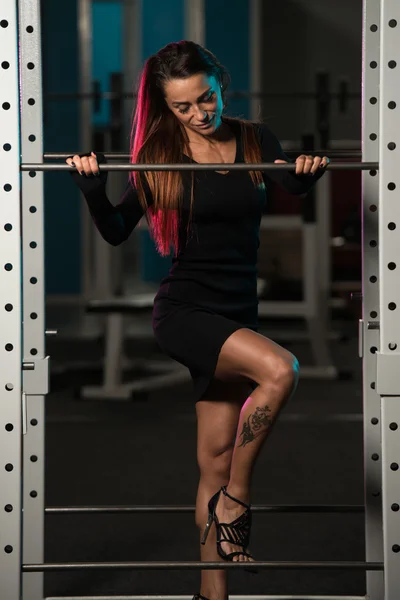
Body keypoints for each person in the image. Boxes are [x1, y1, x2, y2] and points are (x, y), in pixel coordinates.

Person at [67, 40, 329, 600]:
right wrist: (92, 191)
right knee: (280, 370)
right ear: (166, 108)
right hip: (186, 310)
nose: (199, 114)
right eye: (183, 107)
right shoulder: (160, 152)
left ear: (219, 84)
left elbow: (289, 183)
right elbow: (116, 229)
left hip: (237, 309)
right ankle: (237, 497)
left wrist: (304, 177)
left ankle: (212, 595)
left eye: (205, 99)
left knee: (211, 459)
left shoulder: (256, 139)